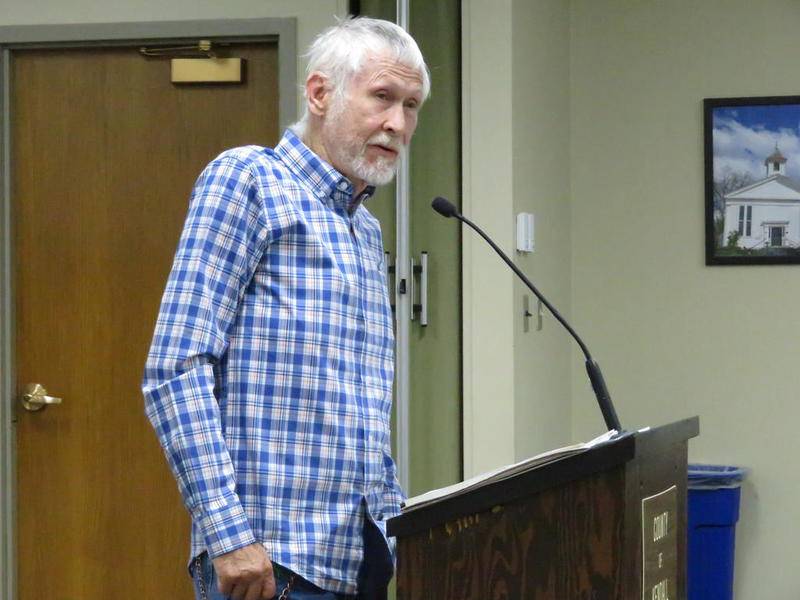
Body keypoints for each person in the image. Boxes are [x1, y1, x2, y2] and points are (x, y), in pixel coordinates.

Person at [142, 16, 429, 600]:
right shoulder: (247, 180)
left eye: (411, 105)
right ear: (320, 93)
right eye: (382, 97)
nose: (397, 123)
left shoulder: (365, 231)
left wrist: (397, 524)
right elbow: (174, 370)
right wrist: (227, 534)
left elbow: (360, 406)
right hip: (270, 566)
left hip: (357, 559)